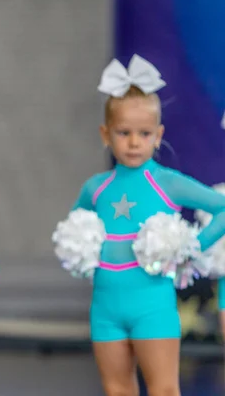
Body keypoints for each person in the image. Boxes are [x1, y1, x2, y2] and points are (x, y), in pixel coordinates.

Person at [70, 54, 225, 396]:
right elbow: (73, 228)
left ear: (159, 135)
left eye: (144, 133)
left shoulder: (168, 183)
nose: (135, 141)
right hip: (105, 310)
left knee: (164, 390)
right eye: (124, 132)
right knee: (116, 388)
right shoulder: (96, 187)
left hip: (153, 308)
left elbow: (222, 208)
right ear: (105, 134)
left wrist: (193, 249)